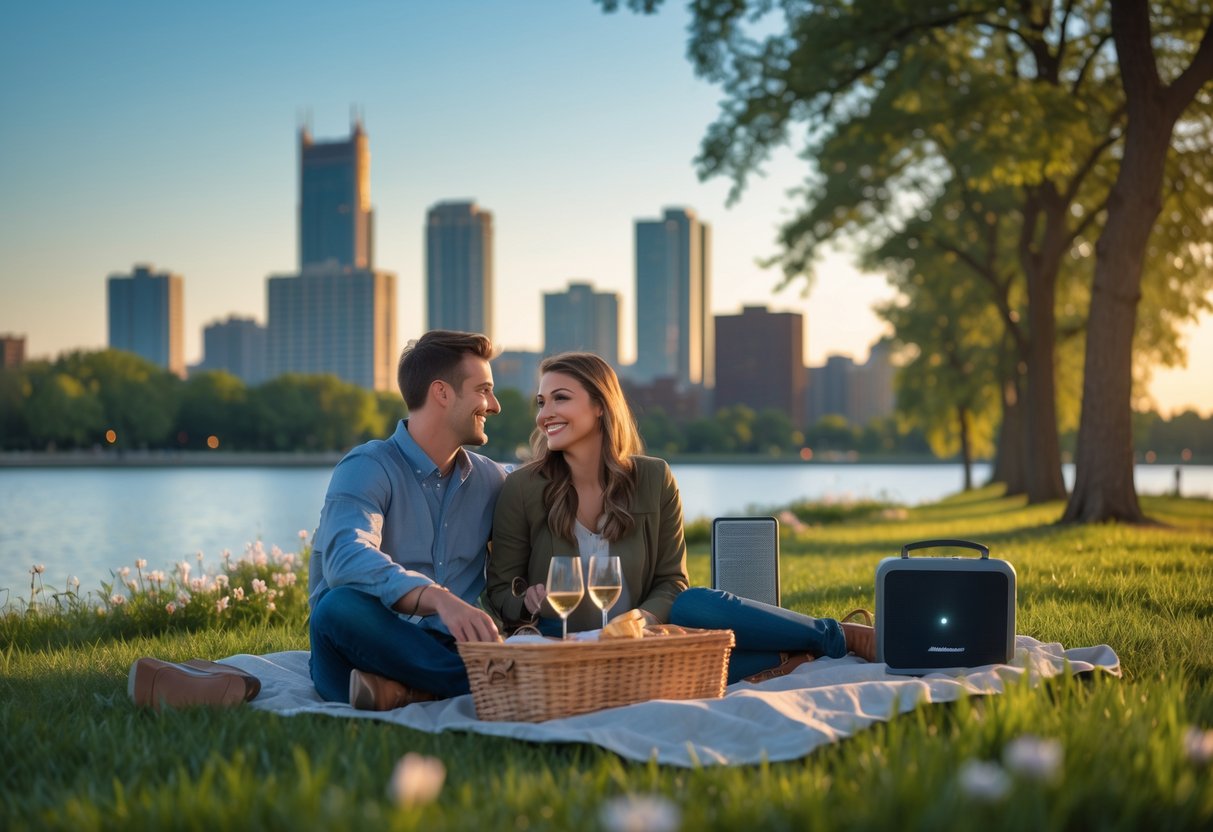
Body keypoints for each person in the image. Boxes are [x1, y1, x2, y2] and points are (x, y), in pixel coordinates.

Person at [307, 330, 507, 710]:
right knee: (337, 606)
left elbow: (550, 493)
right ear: (442, 393)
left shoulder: (491, 480)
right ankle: (498, 683)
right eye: (484, 389)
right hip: (361, 650)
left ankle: (415, 692)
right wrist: (438, 599)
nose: (494, 405)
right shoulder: (367, 466)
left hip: (446, 647)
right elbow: (346, 558)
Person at [486, 352, 689, 634]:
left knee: (706, 604)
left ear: (600, 406)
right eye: (541, 403)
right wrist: (526, 602)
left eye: (561, 398)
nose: (544, 415)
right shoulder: (522, 487)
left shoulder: (654, 479)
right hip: (562, 651)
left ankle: (775, 650)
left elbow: (673, 581)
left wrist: (645, 618)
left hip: (638, 649)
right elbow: (500, 591)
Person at [668, 588, 877, 684]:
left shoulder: (656, 497)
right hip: (649, 667)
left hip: (658, 629)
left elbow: (671, 581)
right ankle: (792, 651)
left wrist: (647, 615)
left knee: (690, 603)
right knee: (685, 678)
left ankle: (840, 636)